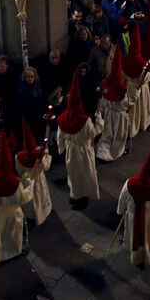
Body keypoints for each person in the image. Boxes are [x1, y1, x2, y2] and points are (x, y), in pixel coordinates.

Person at [117, 139, 150, 268]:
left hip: (132, 216)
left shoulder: (129, 182)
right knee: (148, 239)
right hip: (149, 220)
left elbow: (122, 199)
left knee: (133, 237)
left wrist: (121, 210)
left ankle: (136, 257)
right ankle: (148, 258)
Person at [0, 139, 33, 269]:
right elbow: (23, 198)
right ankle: (12, 253)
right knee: (12, 235)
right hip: (12, 213)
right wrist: (30, 188)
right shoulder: (15, 183)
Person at [55, 72, 101, 208]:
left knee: (73, 173)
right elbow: (92, 133)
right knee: (85, 173)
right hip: (83, 150)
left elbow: (60, 136)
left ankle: (75, 194)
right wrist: (99, 122)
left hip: (71, 150)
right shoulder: (85, 120)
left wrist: (61, 148)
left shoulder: (62, 117)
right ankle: (83, 196)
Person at [15, 119, 52, 226]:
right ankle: (42, 213)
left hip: (26, 179)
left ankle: (30, 215)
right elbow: (46, 167)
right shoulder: (39, 156)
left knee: (29, 199)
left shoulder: (19, 156)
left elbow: (19, 170)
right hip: (38, 179)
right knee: (40, 197)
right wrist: (46, 154)